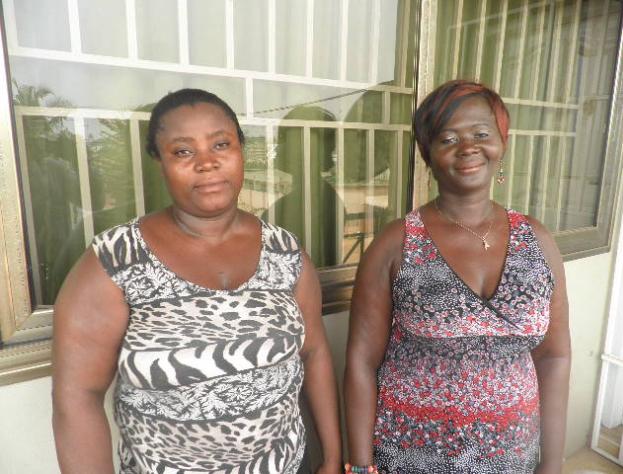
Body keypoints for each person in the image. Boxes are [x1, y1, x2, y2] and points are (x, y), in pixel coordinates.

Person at [52, 88, 342, 474]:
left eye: (221, 144)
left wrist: (333, 457)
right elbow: (78, 397)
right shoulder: (115, 260)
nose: (207, 162)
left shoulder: (285, 252)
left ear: (241, 149)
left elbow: (315, 353)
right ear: (159, 161)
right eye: (183, 151)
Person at [344, 80, 570, 473]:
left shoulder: (538, 240)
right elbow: (361, 362)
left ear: (502, 142)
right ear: (427, 154)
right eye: (448, 139)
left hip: (511, 456)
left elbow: (555, 356)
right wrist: (361, 467)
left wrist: (551, 464)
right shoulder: (396, 243)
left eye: (481, 134)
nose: (468, 148)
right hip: (411, 456)